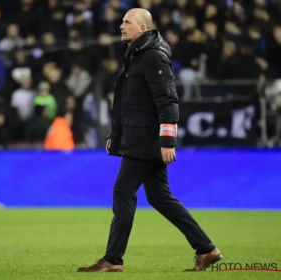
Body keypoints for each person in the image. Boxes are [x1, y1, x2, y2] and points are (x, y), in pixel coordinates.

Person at [77, 8, 222, 273]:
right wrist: (116, 134)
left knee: (123, 190)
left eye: (127, 22)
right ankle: (206, 249)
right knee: (159, 196)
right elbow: (131, 103)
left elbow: (167, 98)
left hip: (146, 140)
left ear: (142, 28)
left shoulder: (153, 55)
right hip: (139, 136)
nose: (121, 25)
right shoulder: (139, 54)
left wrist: (167, 140)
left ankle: (113, 259)